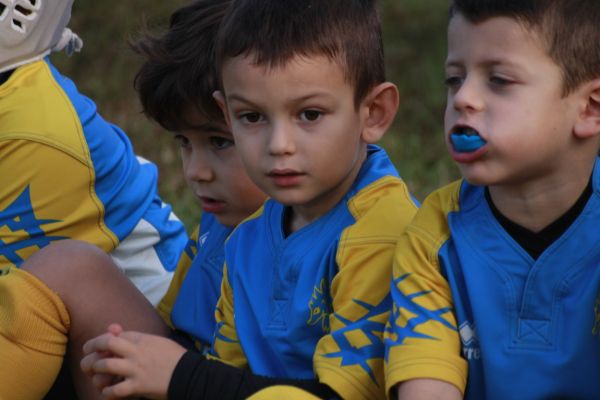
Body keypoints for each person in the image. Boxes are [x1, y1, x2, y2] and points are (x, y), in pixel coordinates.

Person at [82, 0, 419, 399]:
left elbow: (342, 396)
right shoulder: (249, 233)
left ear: (374, 113)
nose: (279, 145)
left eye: (310, 115)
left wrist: (180, 376)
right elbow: (225, 370)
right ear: (227, 112)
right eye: (252, 117)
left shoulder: (381, 232)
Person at [0, 0, 254, 398]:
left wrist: (180, 372)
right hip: (191, 370)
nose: (195, 171)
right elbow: (182, 314)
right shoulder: (228, 211)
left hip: (206, 382)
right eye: (185, 143)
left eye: (220, 142)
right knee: (72, 265)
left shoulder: (337, 235)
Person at [384, 0, 600, 399]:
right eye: (454, 78)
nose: (463, 97)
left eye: (498, 79)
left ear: (590, 107)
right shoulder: (434, 235)